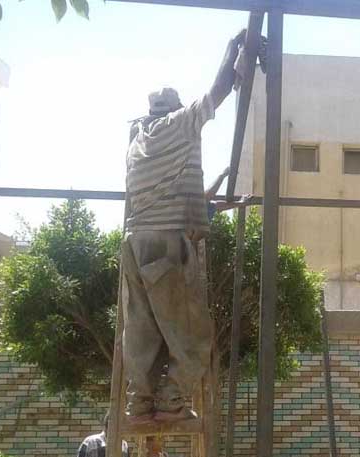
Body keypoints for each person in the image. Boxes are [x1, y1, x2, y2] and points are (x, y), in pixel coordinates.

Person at [122, 30, 246, 424]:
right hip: (166, 245)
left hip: (137, 240)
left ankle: (139, 403)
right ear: (174, 109)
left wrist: (212, 202)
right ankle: (172, 400)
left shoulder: (138, 139)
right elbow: (217, 91)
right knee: (192, 333)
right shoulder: (178, 125)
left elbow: (167, 194)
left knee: (142, 330)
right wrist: (233, 50)